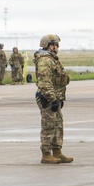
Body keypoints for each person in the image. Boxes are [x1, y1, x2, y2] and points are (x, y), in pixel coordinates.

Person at [34, 34, 72, 164]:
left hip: (55, 97)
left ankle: (57, 152)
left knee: (57, 125)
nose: (57, 47)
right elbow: (45, 82)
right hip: (48, 98)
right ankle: (46, 154)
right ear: (51, 46)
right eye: (56, 45)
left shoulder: (52, 59)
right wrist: (52, 99)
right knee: (48, 126)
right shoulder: (45, 60)